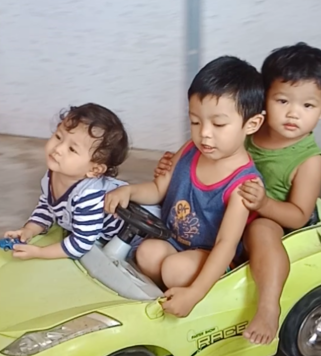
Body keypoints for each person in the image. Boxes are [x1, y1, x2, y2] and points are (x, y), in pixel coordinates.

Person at [155, 42, 321, 343]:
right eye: (282, 101)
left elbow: (299, 215)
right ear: (262, 101)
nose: (293, 114)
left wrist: (263, 204)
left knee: (261, 231)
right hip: (223, 209)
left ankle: (268, 307)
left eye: (308, 106)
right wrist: (173, 168)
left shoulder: (309, 160)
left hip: (269, 218)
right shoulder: (242, 129)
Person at [105, 56, 264, 318]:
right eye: (195, 122)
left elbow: (225, 244)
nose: (204, 133)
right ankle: (161, 300)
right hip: (173, 241)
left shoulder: (243, 184)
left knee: (174, 269)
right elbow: (158, 190)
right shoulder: (190, 150)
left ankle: (190, 300)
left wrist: (194, 293)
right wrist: (129, 191)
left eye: (218, 124)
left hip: (211, 258)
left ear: (252, 124)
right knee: (146, 252)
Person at [4, 103, 128, 260]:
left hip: (130, 238)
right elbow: (47, 208)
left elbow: (82, 243)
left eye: (72, 149)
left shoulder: (89, 196)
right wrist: (29, 230)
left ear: (95, 170)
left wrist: (40, 253)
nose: (58, 149)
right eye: (58, 137)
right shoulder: (52, 175)